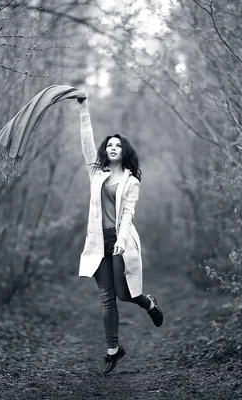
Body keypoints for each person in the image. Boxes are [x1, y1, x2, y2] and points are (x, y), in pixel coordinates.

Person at [76, 95, 163, 374]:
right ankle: (113, 349)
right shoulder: (96, 173)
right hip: (98, 241)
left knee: (125, 294)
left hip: (119, 240)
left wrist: (122, 243)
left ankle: (148, 302)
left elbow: (127, 216)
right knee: (106, 298)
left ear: (125, 151)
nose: (113, 148)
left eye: (118, 145)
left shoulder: (131, 181)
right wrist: (83, 108)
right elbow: (86, 142)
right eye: (109, 145)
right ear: (106, 150)